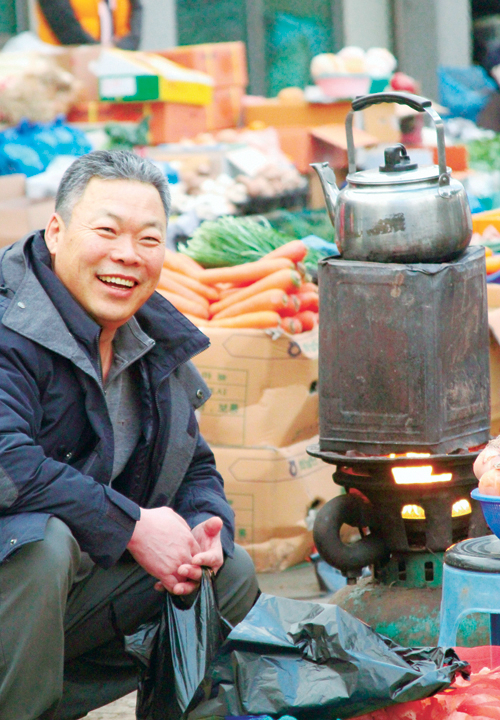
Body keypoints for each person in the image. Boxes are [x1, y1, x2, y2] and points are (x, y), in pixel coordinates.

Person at [0, 150, 259, 720]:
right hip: (21, 581)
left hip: (59, 603)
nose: (127, 254)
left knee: (224, 573)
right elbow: (5, 464)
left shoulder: (148, 337)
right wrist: (133, 525)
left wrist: (204, 526)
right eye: (107, 231)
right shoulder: (8, 322)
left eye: (148, 239)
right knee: (40, 545)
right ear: (56, 231)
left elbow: (193, 465)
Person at [36, 0, 143, 49]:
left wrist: (126, 46)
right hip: (68, 64)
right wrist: (98, 52)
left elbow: (135, 11)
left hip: (116, 63)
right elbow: (62, 23)